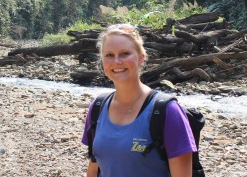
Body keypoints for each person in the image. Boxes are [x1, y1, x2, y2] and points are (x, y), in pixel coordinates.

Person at [81, 24, 197, 177]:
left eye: (125, 53)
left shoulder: (167, 111)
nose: (117, 61)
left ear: (141, 58)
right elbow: (94, 168)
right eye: (109, 55)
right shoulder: (97, 107)